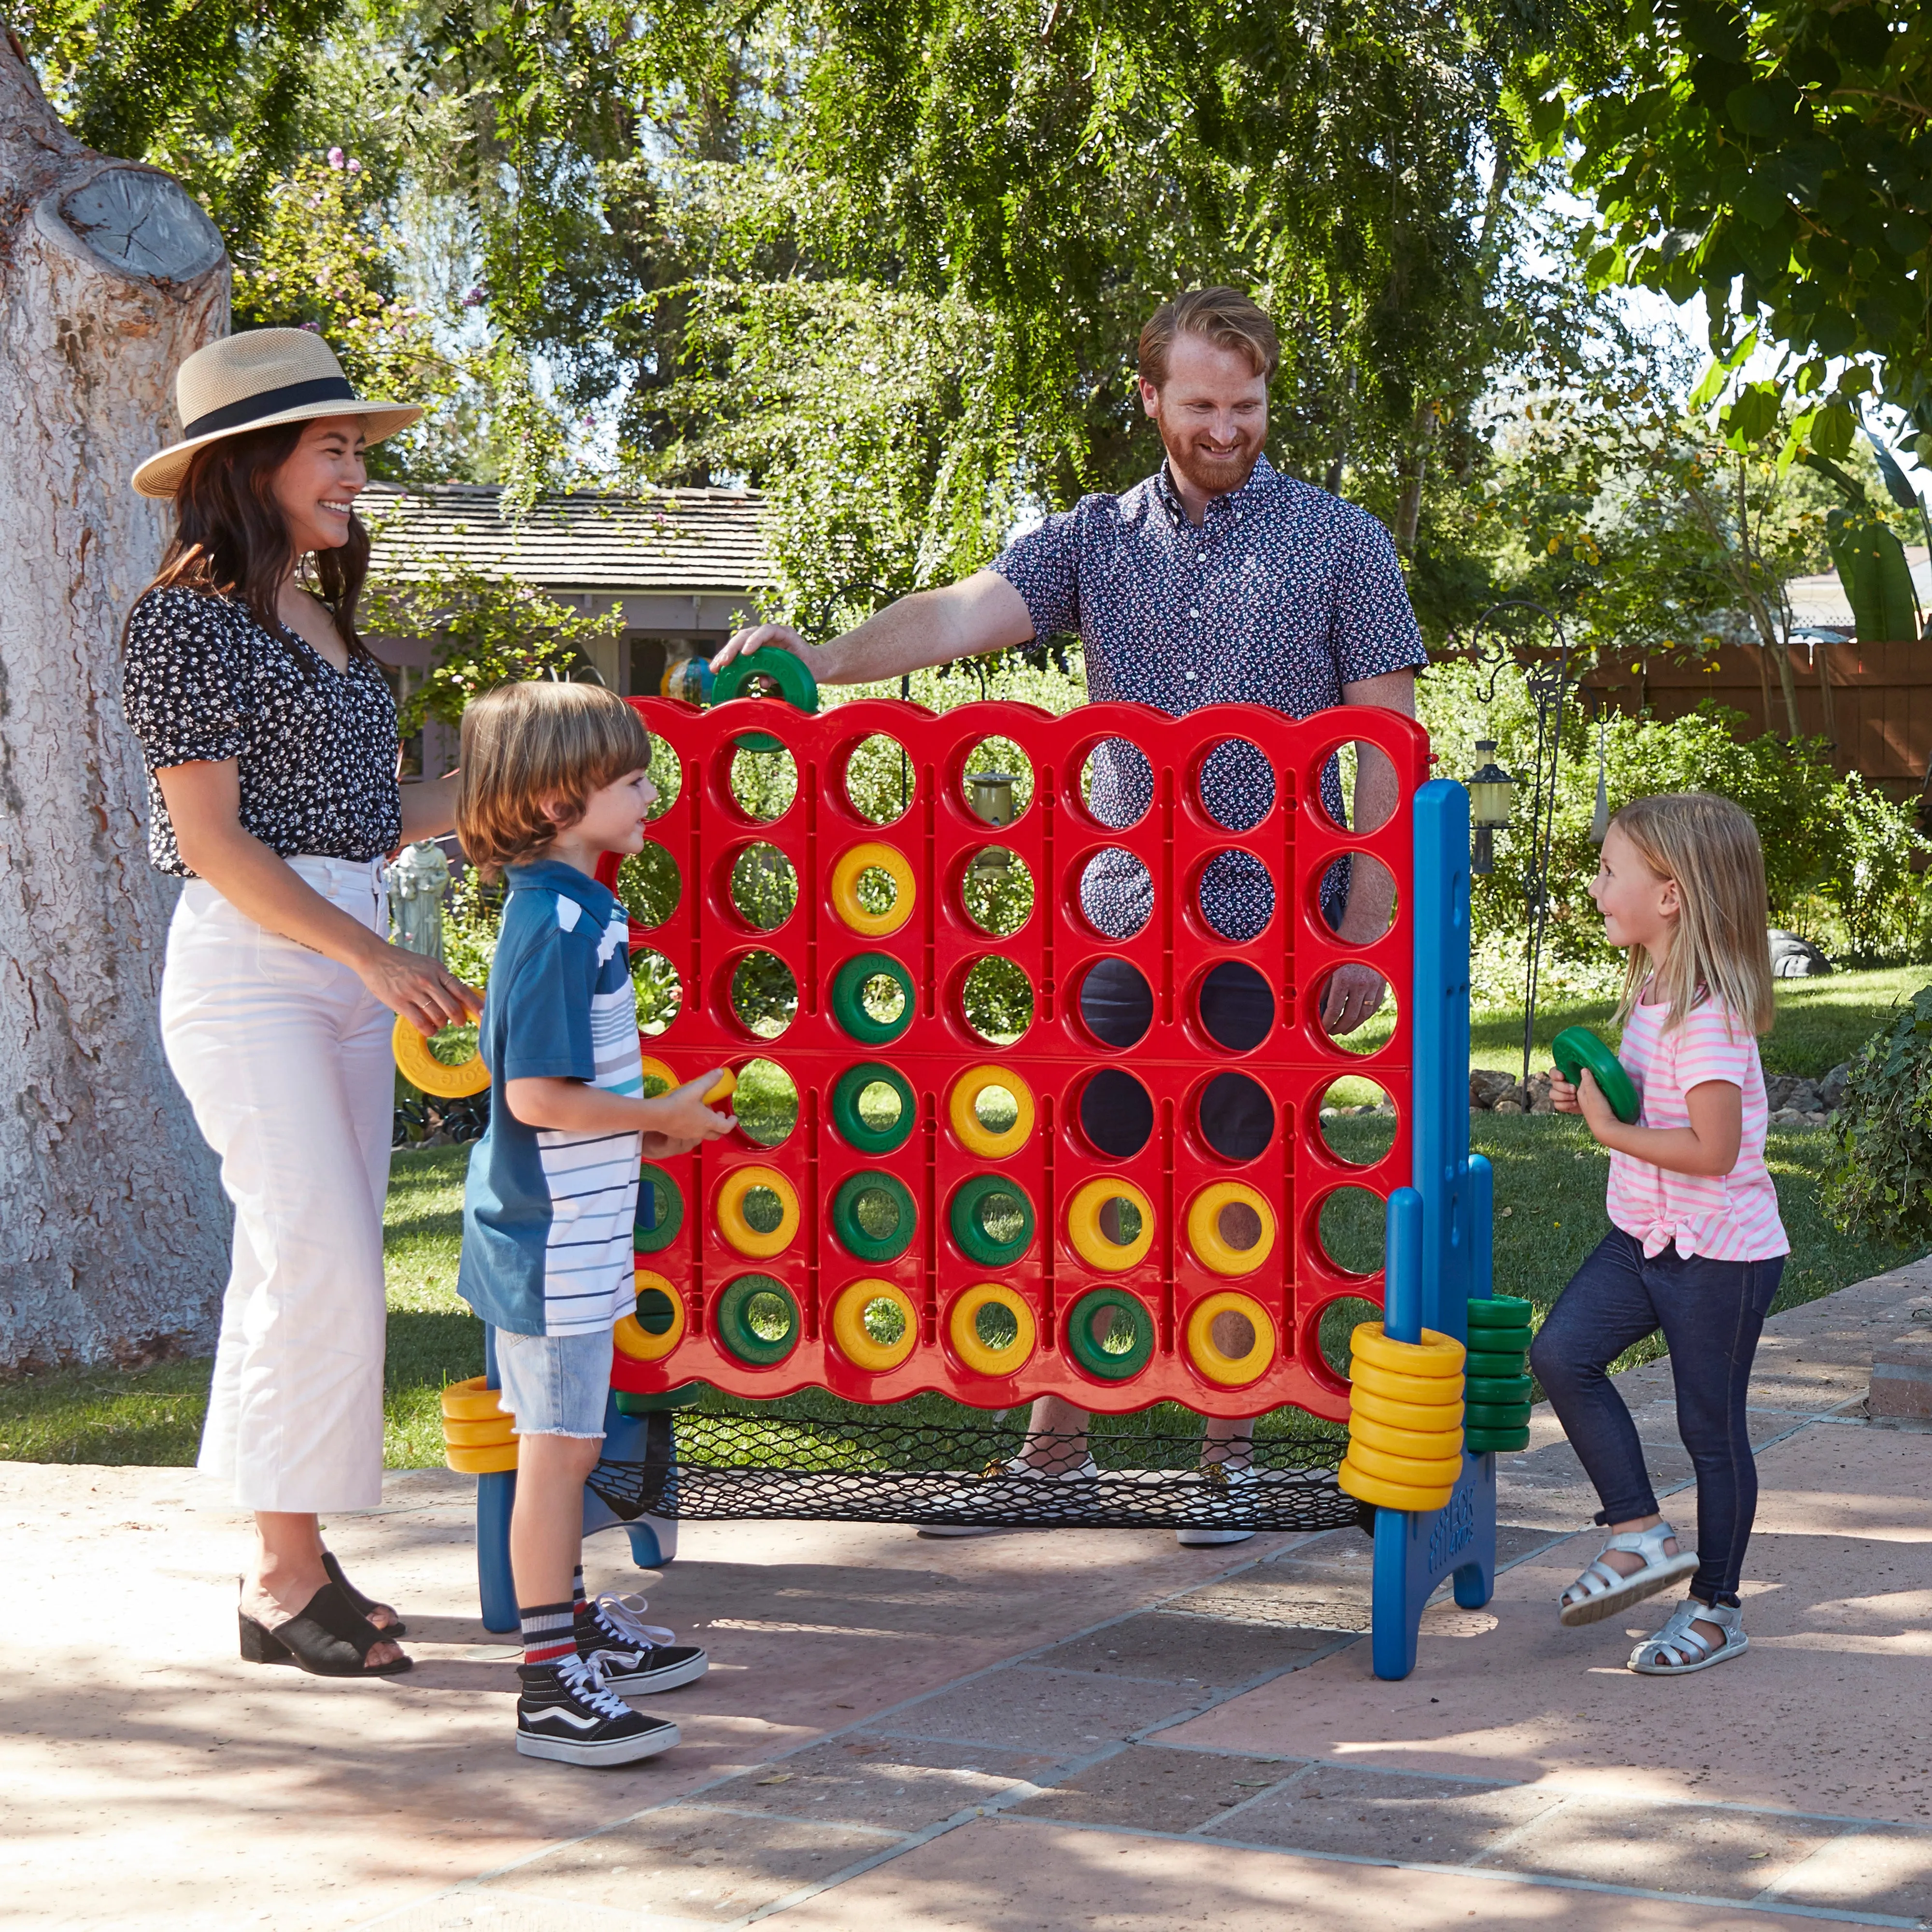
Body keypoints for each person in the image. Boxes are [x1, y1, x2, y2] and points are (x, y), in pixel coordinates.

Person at [710, 286, 1427, 1543]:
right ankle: (1056, 1449)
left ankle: (1228, 1457)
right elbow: (955, 616)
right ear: (1150, 398)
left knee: (1239, 1178)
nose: (1225, 428)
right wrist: (820, 660)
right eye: (1201, 404)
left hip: (1267, 920)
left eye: (1246, 406)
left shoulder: (1342, 541)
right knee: (1086, 1173)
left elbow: (1389, 735)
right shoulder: (1093, 539)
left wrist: (1366, 922)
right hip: (1122, 917)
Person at [124, 328, 482, 1676]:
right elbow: (216, 841)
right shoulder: (182, 621)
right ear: (256, 460)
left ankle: (292, 1554)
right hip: (257, 972)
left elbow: (365, 818)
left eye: (353, 452)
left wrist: (518, 786)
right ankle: (278, 1574)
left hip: (339, 961)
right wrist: (375, 961)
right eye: (333, 449)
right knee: (317, 1253)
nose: (354, 475)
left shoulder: (321, 616)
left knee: (317, 1272)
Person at [454, 680, 735, 1766]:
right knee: (556, 1452)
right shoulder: (551, 922)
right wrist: (651, 1113)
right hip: (548, 1241)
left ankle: (565, 1625)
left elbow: (569, 1095)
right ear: (557, 801)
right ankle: (546, 1684)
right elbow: (532, 1094)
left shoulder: (580, 906)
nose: (650, 791)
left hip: (576, 1223)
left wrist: (645, 1134)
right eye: (629, 778)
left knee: (560, 1448)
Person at [1536, 792, 1787, 1676]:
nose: (1597, 886)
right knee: (1561, 1353)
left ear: (1671, 895)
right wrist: (1595, 1095)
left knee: (1709, 1430)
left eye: (1611, 871)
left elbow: (1714, 1150)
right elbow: (1656, 1103)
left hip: (1720, 1250)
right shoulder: (1650, 988)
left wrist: (1608, 1133)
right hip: (1645, 1233)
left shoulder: (1710, 1013)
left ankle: (1717, 1609)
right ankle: (1638, 1532)